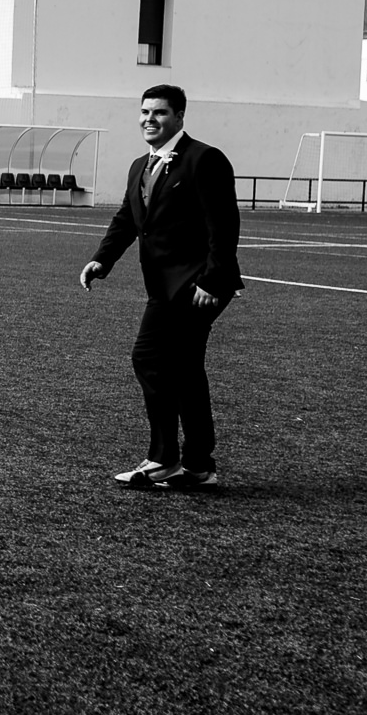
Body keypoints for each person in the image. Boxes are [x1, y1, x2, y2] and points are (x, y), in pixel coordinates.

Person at [79, 84, 244, 491]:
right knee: (182, 369)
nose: (149, 120)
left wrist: (212, 279)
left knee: (151, 357)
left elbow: (223, 225)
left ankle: (165, 458)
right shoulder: (141, 164)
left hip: (199, 285)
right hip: (163, 287)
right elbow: (127, 219)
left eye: (160, 113)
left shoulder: (204, 159)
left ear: (179, 118)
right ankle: (197, 466)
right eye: (145, 112)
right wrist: (103, 259)